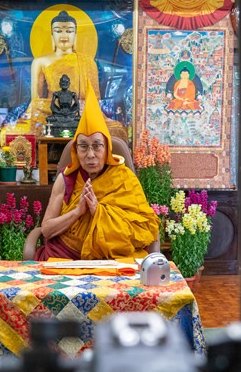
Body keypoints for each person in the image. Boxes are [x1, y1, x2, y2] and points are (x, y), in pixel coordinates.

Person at [34, 86, 159, 261]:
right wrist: (77, 212)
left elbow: (145, 227)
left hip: (111, 258)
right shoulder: (66, 179)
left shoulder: (124, 178)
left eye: (97, 146)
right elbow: (46, 229)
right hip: (66, 258)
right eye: (83, 146)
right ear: (75, 151)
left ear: (107, 149)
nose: (90, 154)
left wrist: (98, 212)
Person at [27, 10, 100, 133]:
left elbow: (94, 101)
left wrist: (75, 109)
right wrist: (58, 109)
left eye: (69, 31)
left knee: (116, 129)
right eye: (58, 31)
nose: (64, 36)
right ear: (52, 35)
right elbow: (36, 102)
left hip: (79, 115)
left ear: (75, 35)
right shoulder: (40, 62)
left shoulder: (87, 62)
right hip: (51, 115)